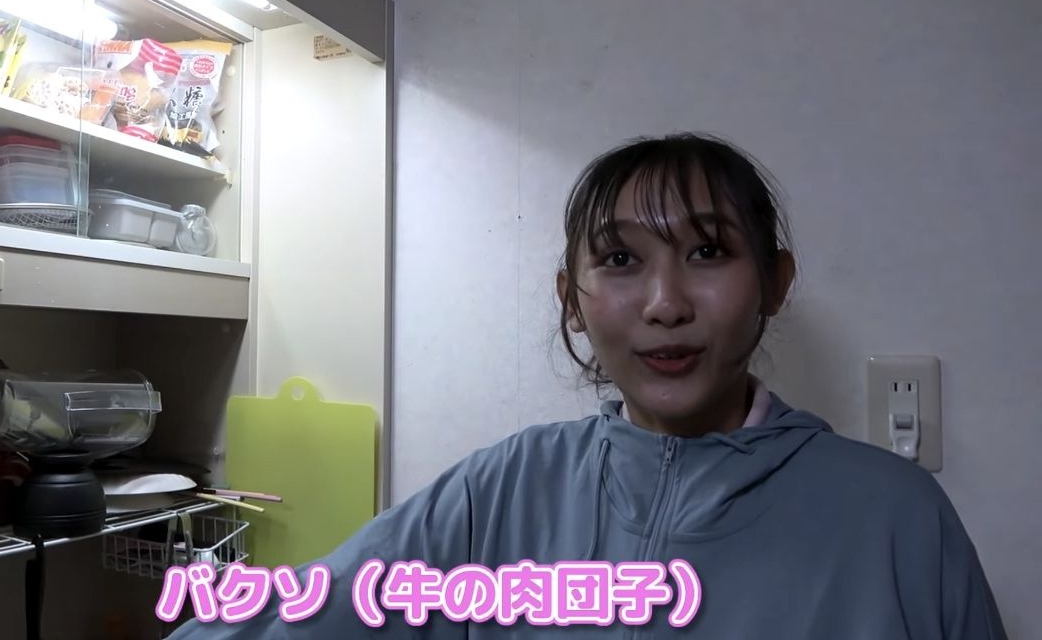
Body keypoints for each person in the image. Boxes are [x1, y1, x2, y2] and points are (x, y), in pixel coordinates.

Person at [170, 133, 1006, 638]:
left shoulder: (897, 519)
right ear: (571, 297)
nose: (666, 304)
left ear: (775, 282)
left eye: (708, 252)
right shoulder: (500, 492)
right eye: (620, 260)